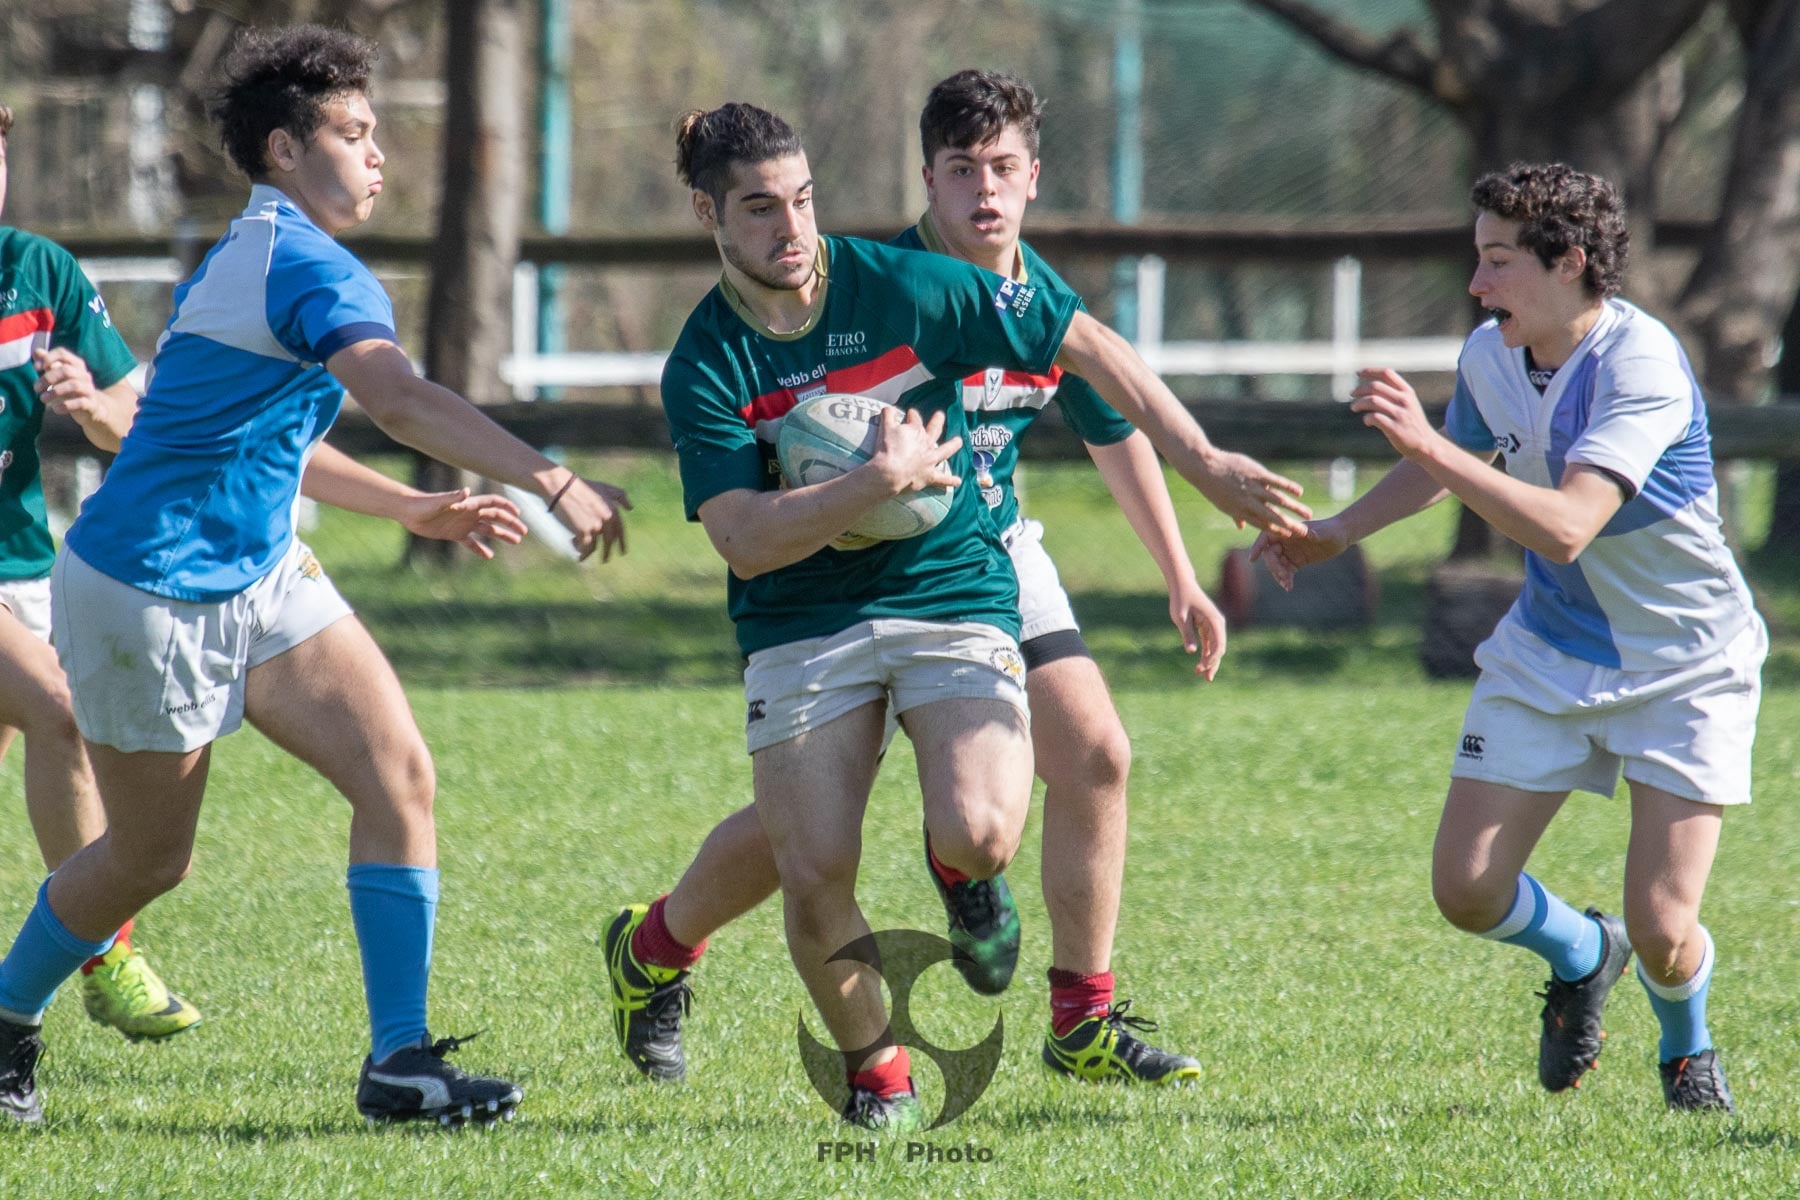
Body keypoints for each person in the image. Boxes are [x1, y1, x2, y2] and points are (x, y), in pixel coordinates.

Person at [611, 99, 1307, 1131]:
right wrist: (873, 485)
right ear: (710, 215)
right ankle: (871, 1073)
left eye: (802, 202)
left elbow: (1087, 349)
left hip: (951, 581)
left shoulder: (905, 287)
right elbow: (746, 539)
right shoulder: (706, 361)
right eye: (761, 210)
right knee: (810, 858)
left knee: (990, 824)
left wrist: (1204, 467)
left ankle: (1023, 947)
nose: (791, 230)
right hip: (801, 615)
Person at [0, 25, 627, 1126]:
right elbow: (400, 400)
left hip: (260, 574)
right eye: (353, 132)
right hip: (148, 591)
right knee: (149, 858)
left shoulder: (260, 256)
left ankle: (399, 1064)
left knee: (400, 775)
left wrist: (414, 504)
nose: (377, 154)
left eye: (376, 132)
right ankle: (6, 1019)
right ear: (285, 149)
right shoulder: (295, 261)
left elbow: (278, 442)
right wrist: (549, 477)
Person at [1253, 162, 1763, 1113]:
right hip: (1549, 647)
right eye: (1476, 259)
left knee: (1664, 926)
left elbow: (1567, 524)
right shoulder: (1495, 351)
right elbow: (1448, 465)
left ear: (1569, 263)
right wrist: (1338, 532)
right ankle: (1583, 951)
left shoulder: (1639, 365)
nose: (1478, 285)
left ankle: (1686, 1053)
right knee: (1468, 889)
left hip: (1685, 662)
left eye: (1497, 262)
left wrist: (1430, 447)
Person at [0, 101, 202, 1042]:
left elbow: (138, 430)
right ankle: (106, 951)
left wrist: (89, 409)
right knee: (59, 709)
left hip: (26, 567)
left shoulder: (40, 272)